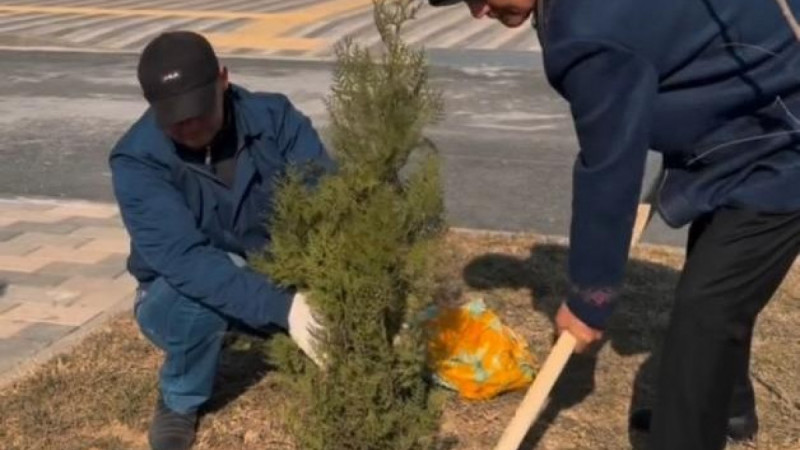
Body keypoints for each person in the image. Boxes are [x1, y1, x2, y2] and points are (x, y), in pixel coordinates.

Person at [429, 1, 800, 449]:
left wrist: (591, 297)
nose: (478, 11)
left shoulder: (586, 30)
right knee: (717, 284)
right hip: (748, 124)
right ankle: (725, 411)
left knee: (707, 307)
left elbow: (609, 166)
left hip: (781, 144)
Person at [109, 31, 332, 450]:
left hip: (270, 272)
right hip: (171, 292)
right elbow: (186, 262)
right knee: (201, 292)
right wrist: (287, 307)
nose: (188, 126)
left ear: (223, 80)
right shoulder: (137, 160)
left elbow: (325, 196)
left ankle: (265, 321)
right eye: (173, 118)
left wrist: (327, 288)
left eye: (197, 110)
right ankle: (179, 400)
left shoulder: (274, 119)